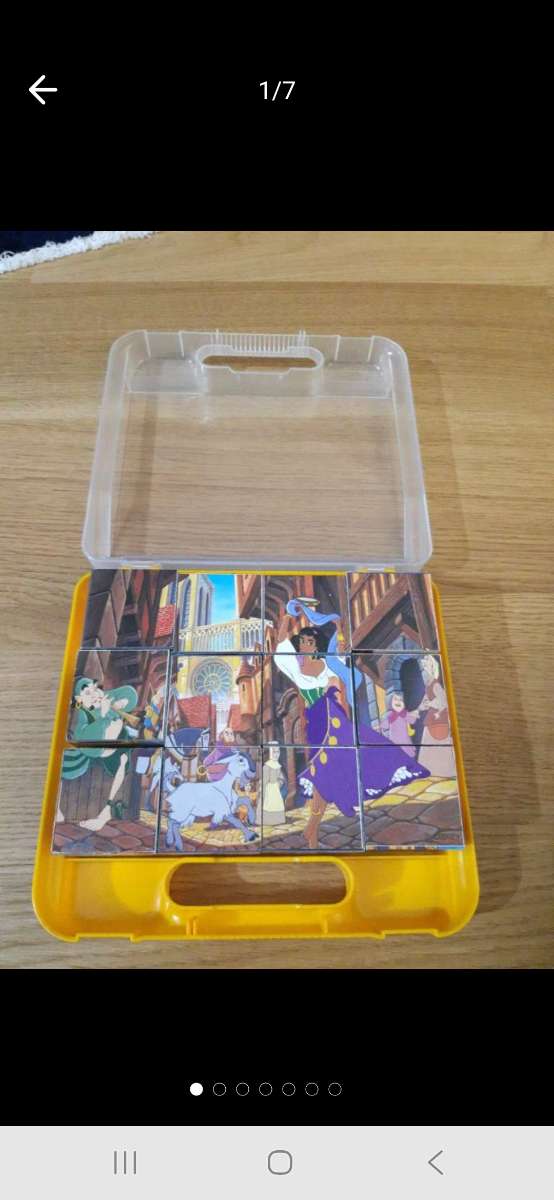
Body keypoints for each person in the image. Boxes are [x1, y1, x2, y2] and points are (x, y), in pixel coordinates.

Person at [274, 603, 429, 848]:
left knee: (332, 773)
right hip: (318, 727)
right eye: (301, 642)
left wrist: (338, 630)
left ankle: (312, 830)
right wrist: (287, 616)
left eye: (308, 642)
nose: (303, 647)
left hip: (337, 726)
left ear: (317, 647)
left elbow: (341, 667)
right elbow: (280, 646)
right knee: (323, 778)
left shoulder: (329, 667)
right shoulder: (296, 668)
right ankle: (312, 830)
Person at [416, 655, 456, 776]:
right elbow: (424, 702)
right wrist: (421, 707)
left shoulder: (435, 685)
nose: (424, 672)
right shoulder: (428, 686)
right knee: (428, 744)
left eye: (426, 667)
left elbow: (443, 701)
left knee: (439, 744)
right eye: (423, 668)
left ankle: (444, 771)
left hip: (439, 718)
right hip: (432, 718)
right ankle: (431, 770)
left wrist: (430, 704)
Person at [259, 742, 287, 826]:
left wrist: (279, 783)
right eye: (274, 752)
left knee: (277, 805)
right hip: (268, 790)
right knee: (268, 805)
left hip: (276, 790)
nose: (276, 754)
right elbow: (263, 780)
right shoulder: (266, 766)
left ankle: (277, 820)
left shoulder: (278, 765)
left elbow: (282, 778)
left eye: (277, 752)